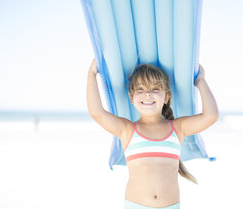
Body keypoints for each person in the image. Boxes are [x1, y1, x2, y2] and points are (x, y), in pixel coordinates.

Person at [87, 59, 219, 209]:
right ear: (131, 98)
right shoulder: (127, 129)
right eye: (140, 89)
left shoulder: (177, 128)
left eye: (155, 89)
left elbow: (211, 116)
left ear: (167, 96)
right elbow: (96, 112)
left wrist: (201, 81)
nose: (148, 94)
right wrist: (91, 74)